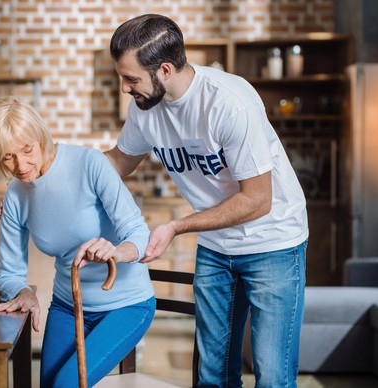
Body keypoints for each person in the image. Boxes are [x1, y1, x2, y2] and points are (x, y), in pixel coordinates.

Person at [106, 14, 309, 387]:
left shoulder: (228, 103)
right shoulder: (145, 109)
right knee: (213, 376)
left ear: (164, 70)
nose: (124, 89)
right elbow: (119, 162)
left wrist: (176, 226)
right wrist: (47, 178)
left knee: (272, 378)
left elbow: (257, 200)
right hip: (217, 246)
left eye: (131, 78)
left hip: (274, 242)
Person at [0, 96, 156, 387]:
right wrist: (22, 292)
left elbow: (138, 232)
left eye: (27, 150)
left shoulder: (90, 164)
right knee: (49, 385)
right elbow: (8, 273)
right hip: (67, 304)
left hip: (127, 305)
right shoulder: (15, 195)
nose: (21, 165)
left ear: (41, 137)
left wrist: (115, 251)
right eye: (7, 157)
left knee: (65, 384)